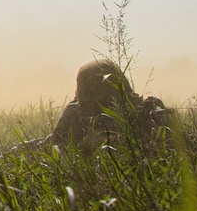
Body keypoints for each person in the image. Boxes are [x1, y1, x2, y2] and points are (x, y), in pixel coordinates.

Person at [28, 58, 172, 152]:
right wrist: (86, 146)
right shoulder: (74, 112)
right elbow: (53, 145)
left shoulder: (146, 111)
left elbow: (170, 145)